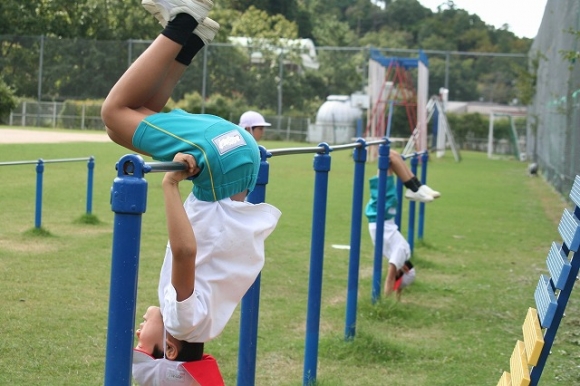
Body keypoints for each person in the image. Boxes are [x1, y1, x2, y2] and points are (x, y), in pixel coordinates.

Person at [101, 1, 281, 384]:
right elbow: (185, 251)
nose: (138, 332)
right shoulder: (183, 321)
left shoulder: (207, 322)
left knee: (136, 113)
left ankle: (191, 38)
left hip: (236, 163)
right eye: (143, 342)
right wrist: (169, 184)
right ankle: (184, 18)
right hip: (218, 165)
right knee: (113, 113)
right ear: (168, 349)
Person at [365, 168, 420, 300]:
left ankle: (416, 186)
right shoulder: (400, 254)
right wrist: (384, 302)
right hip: (382, 216)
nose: (394, 272)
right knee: (388, 159)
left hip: (384, 216)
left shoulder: (404, 253)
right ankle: (416, 187)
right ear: (404, 270)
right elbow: (390, 278)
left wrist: (397, 298)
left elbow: (397, 283)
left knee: (388, 162)